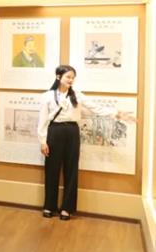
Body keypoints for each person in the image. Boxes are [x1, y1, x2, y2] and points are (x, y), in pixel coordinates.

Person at [36, 65, 132, 220]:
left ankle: (67, 208)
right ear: (58, 77)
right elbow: (43, 120)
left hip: (72, 132)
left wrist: (117, 114)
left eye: (73, 77)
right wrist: (42, 141)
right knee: (52, 169)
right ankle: (49, 206)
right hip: (54, 132)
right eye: (68, 77)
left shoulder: (77, 95)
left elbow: (97, 108)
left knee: (71, 169)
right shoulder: (47, 96)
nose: (71, 80)